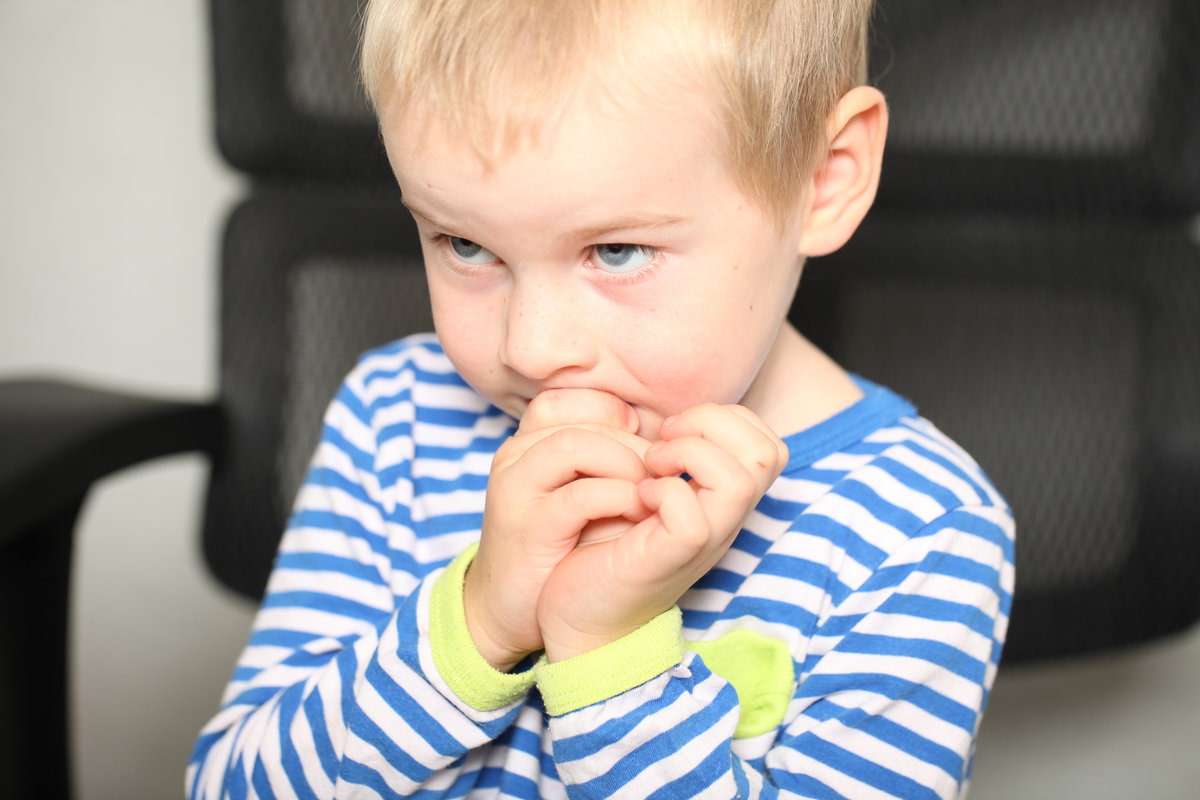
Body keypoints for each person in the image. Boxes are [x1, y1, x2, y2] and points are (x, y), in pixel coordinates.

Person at [188, 0, 1014, 797]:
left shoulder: (925, 531)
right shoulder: (395, 417)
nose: (530, 348)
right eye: (465, 243)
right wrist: (477, 624)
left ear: (824, 181)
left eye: (617, 251)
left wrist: (607, 655)